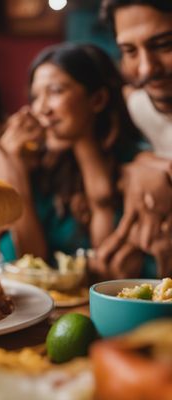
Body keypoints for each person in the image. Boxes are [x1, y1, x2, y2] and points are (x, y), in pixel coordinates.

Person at [0, 43, 145, 279]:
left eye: (55, 91)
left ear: (97, 100)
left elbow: (111, 269)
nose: (42, 108)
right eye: (35, 96)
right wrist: (13, 166)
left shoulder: (136, 165)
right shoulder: (40, 165)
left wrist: (84, 142)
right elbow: (31, 262)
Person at [98, 0, 172, 277]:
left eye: (164, 44)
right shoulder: (134, 108)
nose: (145, 69)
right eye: (129, 50)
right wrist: (141, 165)